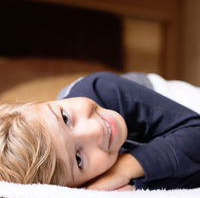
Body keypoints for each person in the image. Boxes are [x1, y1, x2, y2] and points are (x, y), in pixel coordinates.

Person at [1, 71, 200, 191]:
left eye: (65, 118)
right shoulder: (92, 180)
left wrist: (125, 168)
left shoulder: (100, 88)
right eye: (78, 159)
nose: (95, 130)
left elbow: (195, 132)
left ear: (46, 103)